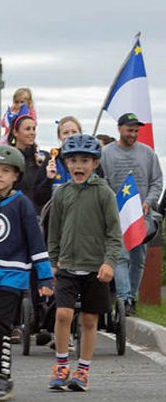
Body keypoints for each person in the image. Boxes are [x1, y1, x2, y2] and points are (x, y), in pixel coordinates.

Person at [0, 145, 54, 401]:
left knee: (1, 323)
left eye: (6, 171)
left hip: (14, 275)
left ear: (16, 175)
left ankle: (2, 378)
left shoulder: (23, 205)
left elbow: (36, 242)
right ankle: (0, 377)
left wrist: (46, 277)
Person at [46, 134, 123, 392]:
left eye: (85, 160)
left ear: (95, 163)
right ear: (66, 163)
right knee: (63, 313)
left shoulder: (105, 194)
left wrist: (110, 262)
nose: (79, 165)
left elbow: (114, 234)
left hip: (95, 267)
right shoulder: (62, 194)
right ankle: (60, 366)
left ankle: (83, 370)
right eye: (73, 160)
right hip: (67, 264)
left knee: (90, 320)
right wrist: (53, 261)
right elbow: (53, 232)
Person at [99, 113, 163, 316]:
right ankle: (124, 298)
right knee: (120, 256)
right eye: (129, 130)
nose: (133, 134)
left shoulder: (148, 153)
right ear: (119, 129)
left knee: (138, 258)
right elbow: (103, 182)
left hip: (141, 215)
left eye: (136, 131)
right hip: (116, 215)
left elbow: (157, 182)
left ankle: (131, 297)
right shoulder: (106, 154)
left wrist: (148, 202)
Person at [7, 113, 53, 209]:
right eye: (27, 129)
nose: (32, 133)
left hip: (37, 215)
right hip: (14, 212)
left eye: (34, 129)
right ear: (15, 132)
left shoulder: (44, 158)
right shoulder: (8, 158)